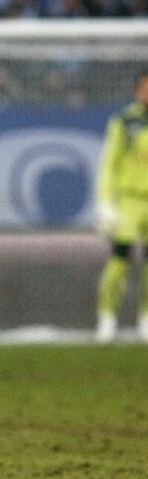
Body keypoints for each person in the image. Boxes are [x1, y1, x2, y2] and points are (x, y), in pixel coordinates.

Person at [94, 70, 148, 343]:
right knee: (120, 260)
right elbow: (109, 163)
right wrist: (105, 201)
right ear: (137, 90)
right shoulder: (125, 121)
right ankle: (107, 316)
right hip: (129, 200)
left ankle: (146, 319)